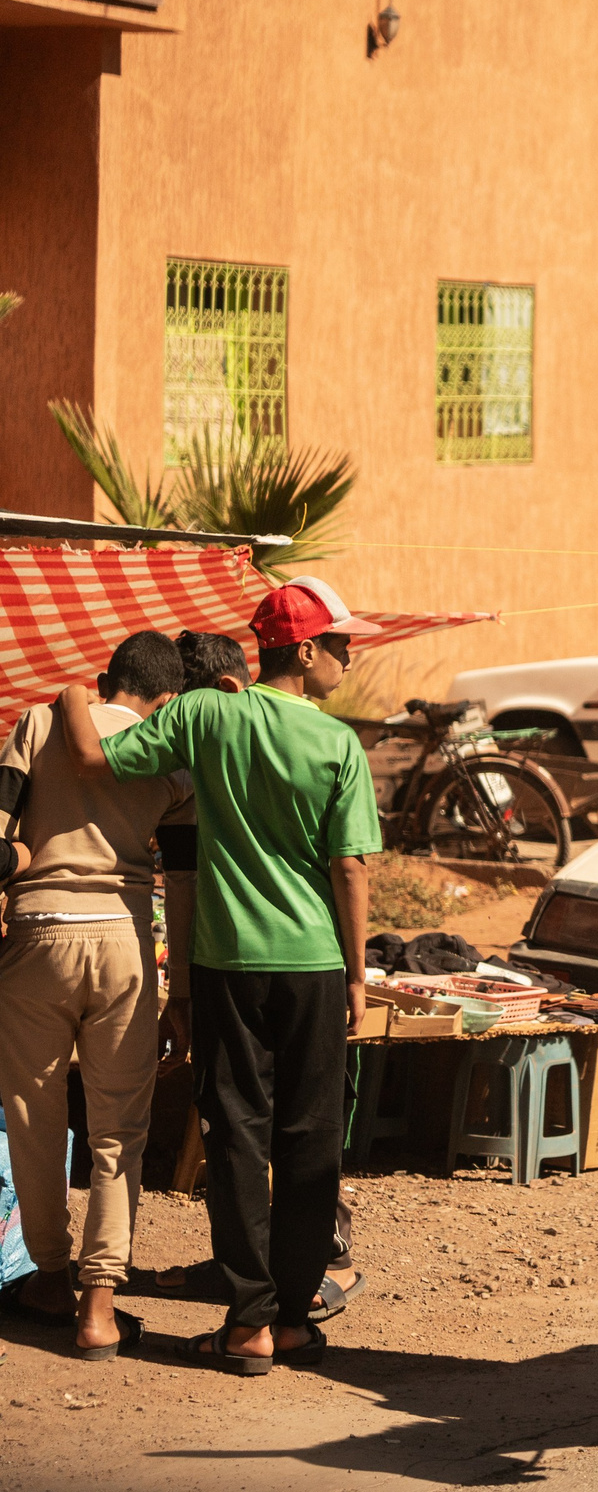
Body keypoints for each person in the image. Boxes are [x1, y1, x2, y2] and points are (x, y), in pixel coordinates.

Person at [57, 579, 380, 1373]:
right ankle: (295, 1314)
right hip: (313, 965)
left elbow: (97, 757)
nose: (349, 653)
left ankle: (250, 1323)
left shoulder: (206, 715)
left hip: (228, 963)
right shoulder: (340, 745)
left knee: (236, 1135)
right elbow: (349, 868)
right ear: (303, 650)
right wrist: (358, 975)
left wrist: (69, 693)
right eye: (340, 642)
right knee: (310, 1138)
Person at [0, 633, 193, 1359]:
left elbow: (0, 829)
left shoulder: (40, 721)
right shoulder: (171, 758)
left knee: (34, 1122)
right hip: (123, 943)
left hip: (34, 938)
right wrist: (185, 987)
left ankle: (50, 1278)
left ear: (107, 677)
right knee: (119, 1133)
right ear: (167, 700)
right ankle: (100, 1306)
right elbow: (183, 878)